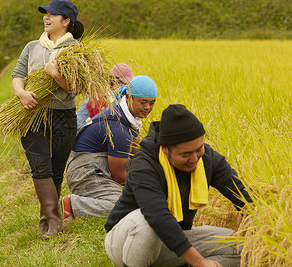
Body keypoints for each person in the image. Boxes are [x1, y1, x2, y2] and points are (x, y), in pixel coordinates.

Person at [104, 104, 253, 267]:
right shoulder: (144, 166)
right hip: (127, 242)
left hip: (173, 238)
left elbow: (240, 192)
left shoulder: (206, 158)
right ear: (165, 150)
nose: (194, 159)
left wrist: (263, 222)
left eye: (199, 149)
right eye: (185, 154)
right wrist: (199, 261)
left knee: (242, 247)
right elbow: (158, 217)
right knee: (145, 223)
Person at [11, 0, 84, 239]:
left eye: (53, 14)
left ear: (66, 21)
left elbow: (75, 88)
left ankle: (46, 220)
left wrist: (56, 75)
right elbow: (18, 75)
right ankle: (55, 223)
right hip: (32, 115)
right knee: (39, 167)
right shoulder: (32, 46)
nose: (46, 17)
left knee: (54, 171)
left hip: (63, 115)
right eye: (45, 13)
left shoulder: (76, 50)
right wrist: (21, 93)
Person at [61, 75, 157, 220]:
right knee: (129, 205)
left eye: (152, 103)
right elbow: (118, 176)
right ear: (129, 97)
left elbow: (137, 152)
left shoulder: (126, 116)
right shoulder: (118, 129)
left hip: (95, 167)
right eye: (143, 102)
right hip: (84, 174)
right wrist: (146, 188)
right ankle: (73, 204)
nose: (147, 107)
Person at [76, 63, 134, 130]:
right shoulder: (100, 98)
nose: (127, 89)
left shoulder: (116, 97)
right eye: (124, 84)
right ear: (114, 82)